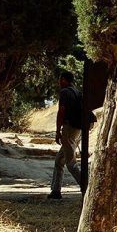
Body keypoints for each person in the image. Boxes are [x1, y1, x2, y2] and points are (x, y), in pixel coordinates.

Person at [48, 71, 82, 199]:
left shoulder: (64, 92)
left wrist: (58, 131)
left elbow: (61, 112)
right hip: (78, 129)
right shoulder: (77, 92)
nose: (58, 82)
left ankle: (86, 186)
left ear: (63, 80)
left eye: (59, 79)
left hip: (69, 128)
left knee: (70, 162)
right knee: (59, 160)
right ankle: (56, 191)